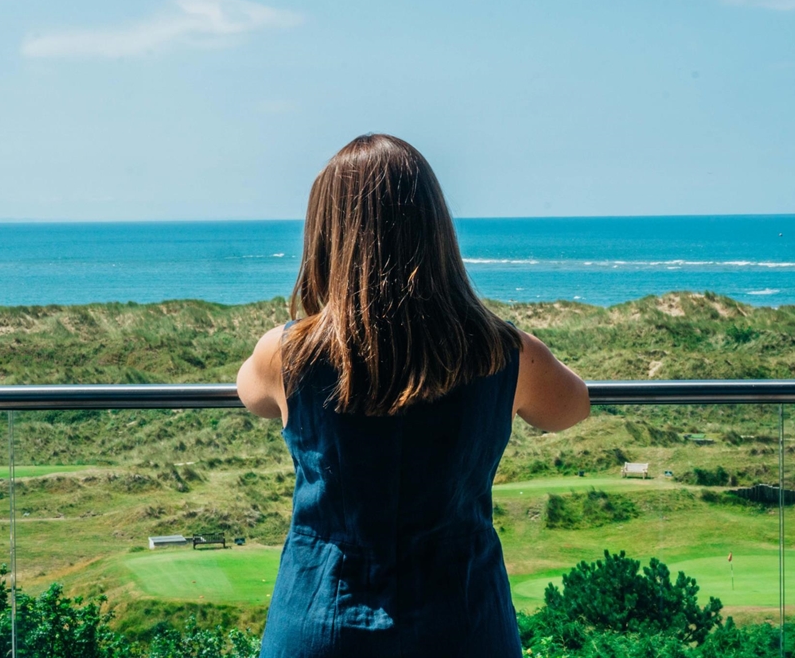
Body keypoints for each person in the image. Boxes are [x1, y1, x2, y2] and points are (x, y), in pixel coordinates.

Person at [237, 134, 590, 658]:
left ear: (326, 234)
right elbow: (573, 407)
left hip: (319, 625)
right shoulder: (504, 352)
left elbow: (253, 397)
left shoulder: (286, 353)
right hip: (464, 624)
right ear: (436, 229)